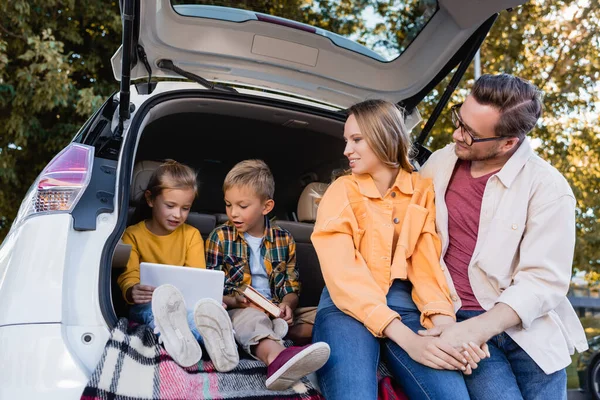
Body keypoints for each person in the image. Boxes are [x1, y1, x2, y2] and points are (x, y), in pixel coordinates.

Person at [417, 73, 588, 400]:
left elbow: (544, 280)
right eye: (459, 119)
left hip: (529, 332)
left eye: (469, 133)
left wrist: (473, 330)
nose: (456, 134)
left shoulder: (550, 189)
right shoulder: (439, 164)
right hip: (464, 324)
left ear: (509, 142)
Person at [311, 99, 485, 400]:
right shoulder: (340, 191)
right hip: (346, 307)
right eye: (346, 141)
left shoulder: (422, 191)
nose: (346, 150)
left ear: (383, 136)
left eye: (356, 140)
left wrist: (449, 331)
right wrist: (410, 341)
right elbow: (344, 277)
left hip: (408, 306)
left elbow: (428, 268)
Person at [205, 159, 330, 391]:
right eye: (228, 204)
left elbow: (291, 287)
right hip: (240, 309)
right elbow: (213, 289)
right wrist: (236, 301)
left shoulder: (284, 239)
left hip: (275, 309)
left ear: (266, 206)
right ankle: (277, 358)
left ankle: (281, 331)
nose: (233, 213)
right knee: (251, 321)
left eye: (243, 206)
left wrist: (287, 305)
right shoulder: (219, 237)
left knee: (328, 314)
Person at [117, 159, 239, 371]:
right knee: (153, 310)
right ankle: (196, 338)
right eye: (170, 206)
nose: (177, 215)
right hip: (147, 303)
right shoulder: (132, 235)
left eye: (185, 208)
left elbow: (198, 278)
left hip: (186, 305)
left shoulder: (191, 235)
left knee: (193, 314)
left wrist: (210, 301)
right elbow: (129, 276)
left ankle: (210, 340)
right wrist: (131, 290)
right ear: (150, 199)